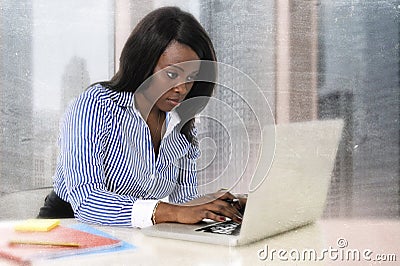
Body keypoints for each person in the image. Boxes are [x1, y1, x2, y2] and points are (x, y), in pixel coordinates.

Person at [38, 6, 245, 227]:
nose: (182, 88)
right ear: (144, 64)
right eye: (172, 74)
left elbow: (182, 202)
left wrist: (212, 205)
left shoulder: (180, 123)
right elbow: (87, 202)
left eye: (192, 77)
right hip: (65, 232)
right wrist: (171, 211)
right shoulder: (95, 106)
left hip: (128, 237)